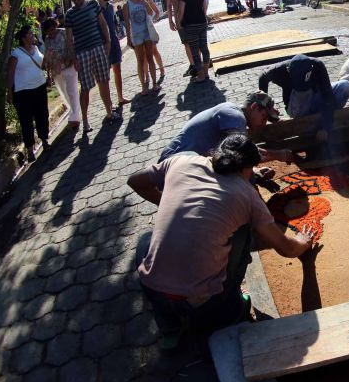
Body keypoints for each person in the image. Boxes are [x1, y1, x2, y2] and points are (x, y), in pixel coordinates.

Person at [129, 133, 317, 348]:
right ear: (247, 168)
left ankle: (170, 329)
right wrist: (303, 242)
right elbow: (286, 249)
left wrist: (165, 201)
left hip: (153, 287)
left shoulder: (180, 161)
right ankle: (232, 307)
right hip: (201, 302)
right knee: (244, 231)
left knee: (147, 238)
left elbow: (134, 181)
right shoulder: (247, 194)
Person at [159, 93, 294, 164]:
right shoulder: (234, 116)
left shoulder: (234, 114)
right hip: (173, 162)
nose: (264, 124)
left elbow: (233, 154)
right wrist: (279, 155)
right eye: (264, 117)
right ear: (253, 107)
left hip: (186, 162)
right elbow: (242, 152)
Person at [259, 54, 349, 144]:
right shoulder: (279, 70)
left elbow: (328, 95)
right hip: (296, 104)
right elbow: (262, 77)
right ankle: (307, 125)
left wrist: (325, 126)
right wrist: (267, 110)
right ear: (289, 71)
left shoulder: (317, 65)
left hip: (315, 96)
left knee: (345, 86)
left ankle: (326, 118)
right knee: (301, 95)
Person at [64, 0, 116, 131]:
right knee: (85, 87)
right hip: (82, 53)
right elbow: (69, 39)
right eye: (74, 0)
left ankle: (109, 112)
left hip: (98, 47)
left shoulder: (93, 4)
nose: (76, 2)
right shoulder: (70, 14)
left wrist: (108, 41)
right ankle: (85, 121)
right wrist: (74, 58)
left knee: (104, 81)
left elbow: (102, 23)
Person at [6, 24, 50, 162]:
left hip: (40, 87)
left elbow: (42, 65)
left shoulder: (36, 49)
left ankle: (45, 140)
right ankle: (30, 150)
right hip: (23, 92)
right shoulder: (16, 54)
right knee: (26, 121)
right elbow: (10, 73)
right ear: (24, 38)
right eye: (30, 34)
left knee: (42, 115)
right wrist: (9, 91)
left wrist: (47, 57)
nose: (33, 35)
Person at [121, 0, 162, 97]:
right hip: (136, 35)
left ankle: (154, 83)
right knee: (140, 60)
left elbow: (151, 13)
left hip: (147, 33)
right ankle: (144, 86)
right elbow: (127, 23)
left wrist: (145, 3)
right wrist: (129, 39)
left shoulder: (144, 0)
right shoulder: (127, 5)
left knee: (150, 58)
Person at [41, 17, 81, 130]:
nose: (51, 32)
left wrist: (73, 59)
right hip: (57, 69)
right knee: (64, 92)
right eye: (48, 31)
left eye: (52, 29)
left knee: (72, 90)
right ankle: (73, 110)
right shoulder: (47, 39)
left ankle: (75, 117)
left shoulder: (64, 32)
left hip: (69, 65)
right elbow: (48, 54)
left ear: (56, 26)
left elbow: (72, 45)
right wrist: (49, 71)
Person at [95, 0, 129, 111]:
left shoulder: (110, 7)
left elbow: (113, 23)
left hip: (114, 41)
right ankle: (109, 105)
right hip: (103, 44)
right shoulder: (95, 9)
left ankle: (120, 97)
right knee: (105, 76)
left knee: (117, 70)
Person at [177, 0, 211, 84]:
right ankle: (206, 73)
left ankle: (201, 75)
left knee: (195, 51)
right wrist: (203, 16)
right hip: (202, 22)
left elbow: (181, 11)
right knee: (204, 48)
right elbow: (205, 6)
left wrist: (179, 23)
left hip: (190, 25)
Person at [165, 0, 196, 77]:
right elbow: (168, 5)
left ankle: (199, 63)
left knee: (195, 42)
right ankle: (193, 65)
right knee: (186, 43)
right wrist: (170, 20)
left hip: (192, 17)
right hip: (179, 20)